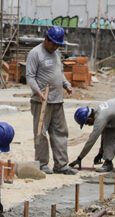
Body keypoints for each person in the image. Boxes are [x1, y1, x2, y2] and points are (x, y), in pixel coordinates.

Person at [26, 25, 77, 175]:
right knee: (41, 133)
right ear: (46, 39)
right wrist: (38, 92)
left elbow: (59, 73)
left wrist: (66, 85)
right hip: (41, 101)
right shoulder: (35, 54)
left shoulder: (56, 54)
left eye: (57, 45)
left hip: (57, 100)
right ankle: (42, 164)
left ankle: (61, 165)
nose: (55, 47)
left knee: (60, 132)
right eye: (53, 43)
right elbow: (30, 76)